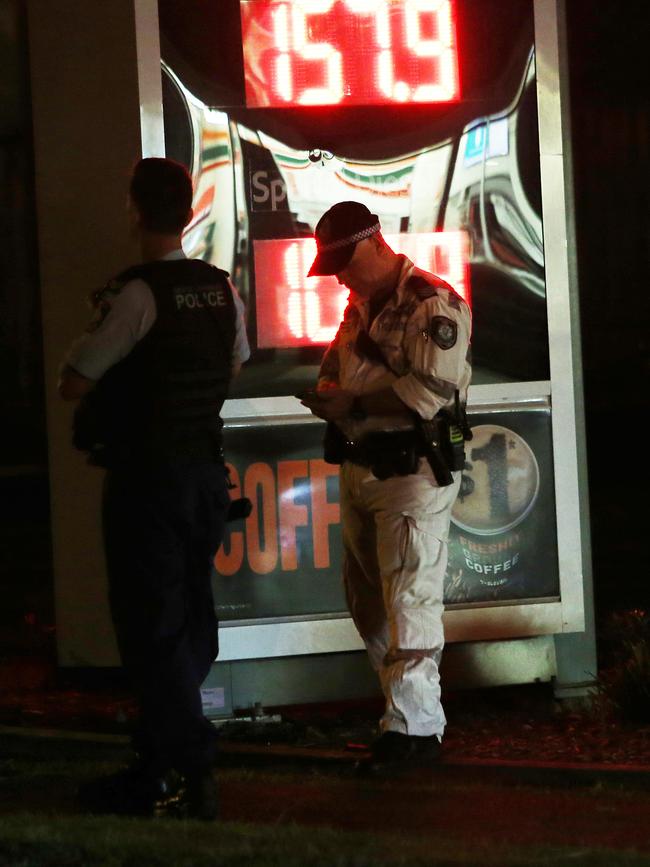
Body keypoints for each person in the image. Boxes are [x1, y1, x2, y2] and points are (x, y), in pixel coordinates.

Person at [58, 157, 250, 818]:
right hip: (204, 476)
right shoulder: (223, 289)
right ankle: (158, 761)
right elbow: (232, 365)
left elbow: (75, 380)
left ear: (137, 212)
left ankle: (189, 765)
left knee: (151, 627)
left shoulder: (136, 294)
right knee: (190, 618)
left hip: (148, 481)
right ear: (189, 210)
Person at [300, 201, 472, 773]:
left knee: (410, 599)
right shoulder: (361, 306)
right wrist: (330, 391)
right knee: (369, 602)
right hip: (360, 466)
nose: (340, 277)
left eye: (345, 263)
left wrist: (351, 402)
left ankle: (416, 731)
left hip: (410, 471)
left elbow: (429, 391)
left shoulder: (431, 302)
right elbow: (336, 361)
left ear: (375, 243)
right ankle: (400, 713)